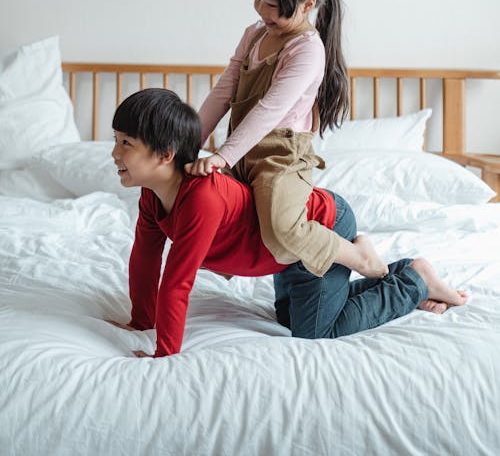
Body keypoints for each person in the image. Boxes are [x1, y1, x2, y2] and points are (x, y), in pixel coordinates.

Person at [107, 88, 467, 359]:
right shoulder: (153, 196)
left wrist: (165, 353)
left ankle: (414, 280)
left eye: (126, 143)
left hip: (319, 227)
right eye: (116, 140)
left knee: (314, 334)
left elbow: (177, 280)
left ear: (165, 154)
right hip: (285, 251)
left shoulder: (202, 196)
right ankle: (402, 274)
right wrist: (141, 319)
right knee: (288, 318)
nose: (114, 153)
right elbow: (145, 258)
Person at [186, 0, 383, 279]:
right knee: (198, 200)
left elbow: (270, 110)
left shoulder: (307, 50)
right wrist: (191, 140)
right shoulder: (254, 34)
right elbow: (224, 91)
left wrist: (223, 156)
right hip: (242, 149)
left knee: (281, 231)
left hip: (282, 156)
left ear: (308, 5)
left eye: (274, 5)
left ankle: (359, 257)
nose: (263, 12)